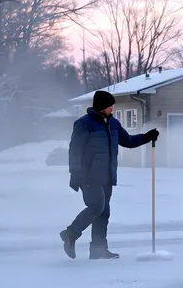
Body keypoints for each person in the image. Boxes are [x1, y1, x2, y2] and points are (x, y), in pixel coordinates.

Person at [61, 90, 159, 260]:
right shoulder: (84, 124)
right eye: (110, 105)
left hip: (107, 176)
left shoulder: (113, 123)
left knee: (104, 213)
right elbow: (74, 151)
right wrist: (75, 174)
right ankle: (70, 233)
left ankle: (98, 250)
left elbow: (127, 141)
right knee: (96, 206)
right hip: (88, 176)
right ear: (101, 106)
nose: (113, 108)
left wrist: (146, 137)